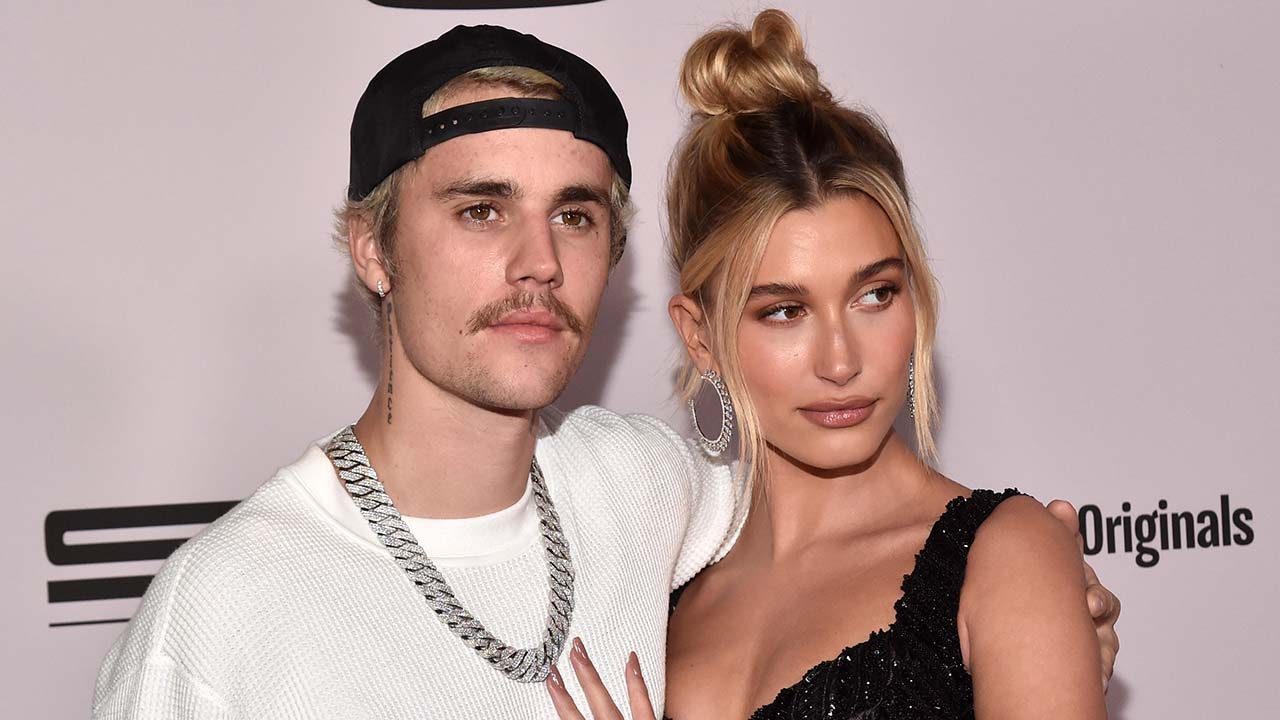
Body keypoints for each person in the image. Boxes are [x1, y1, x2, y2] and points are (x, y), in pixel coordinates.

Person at [93, 22, 1117, 720]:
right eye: (480, 209)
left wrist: (1026, 610)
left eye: (573, 215)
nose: (536, 260)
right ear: (370, 248)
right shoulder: (222, 610)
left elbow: (864, 535)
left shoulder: (647, 494)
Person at [550, 10, 1113, 720]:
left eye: (875, 294)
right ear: (701, 338)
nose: (841, 360)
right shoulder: (660, 599)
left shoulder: (1004, 559)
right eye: (784, 311)